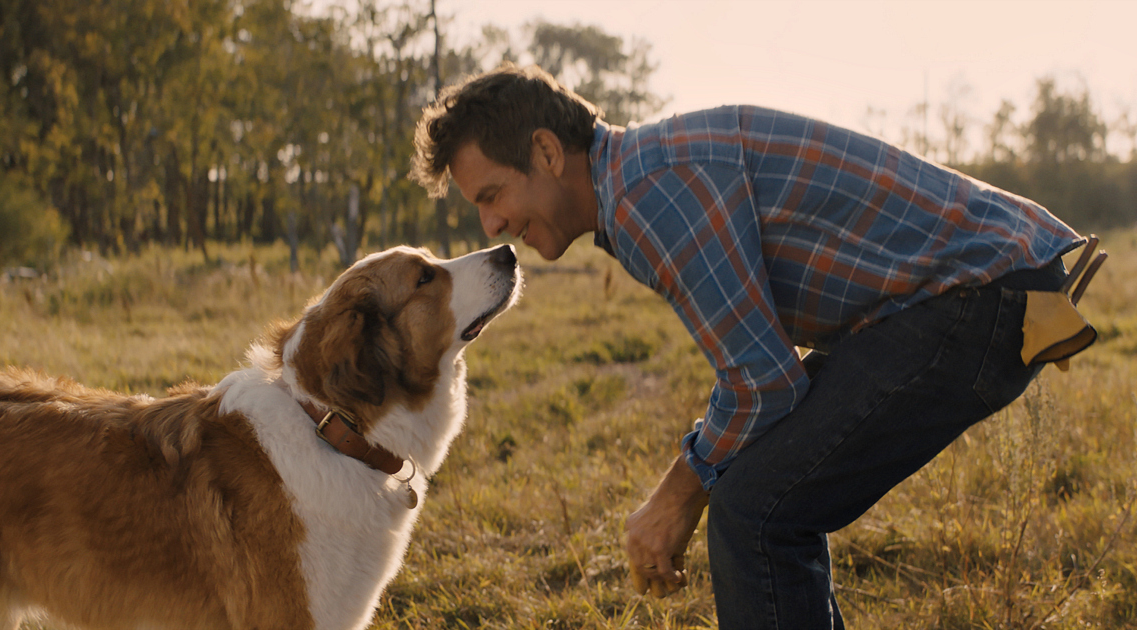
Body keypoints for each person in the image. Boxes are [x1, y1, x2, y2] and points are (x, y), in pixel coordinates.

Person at [408, 64, 1084, 629]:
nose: (490, 223)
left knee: (755, 512)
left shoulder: (649, 194)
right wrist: (699, 473)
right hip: (985, 292)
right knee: (763, 495)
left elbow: (762, 381)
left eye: (492, 195)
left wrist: (675, 496)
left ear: (548, 153)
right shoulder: (645, 178)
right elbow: (765, 377)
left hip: (982, 297)